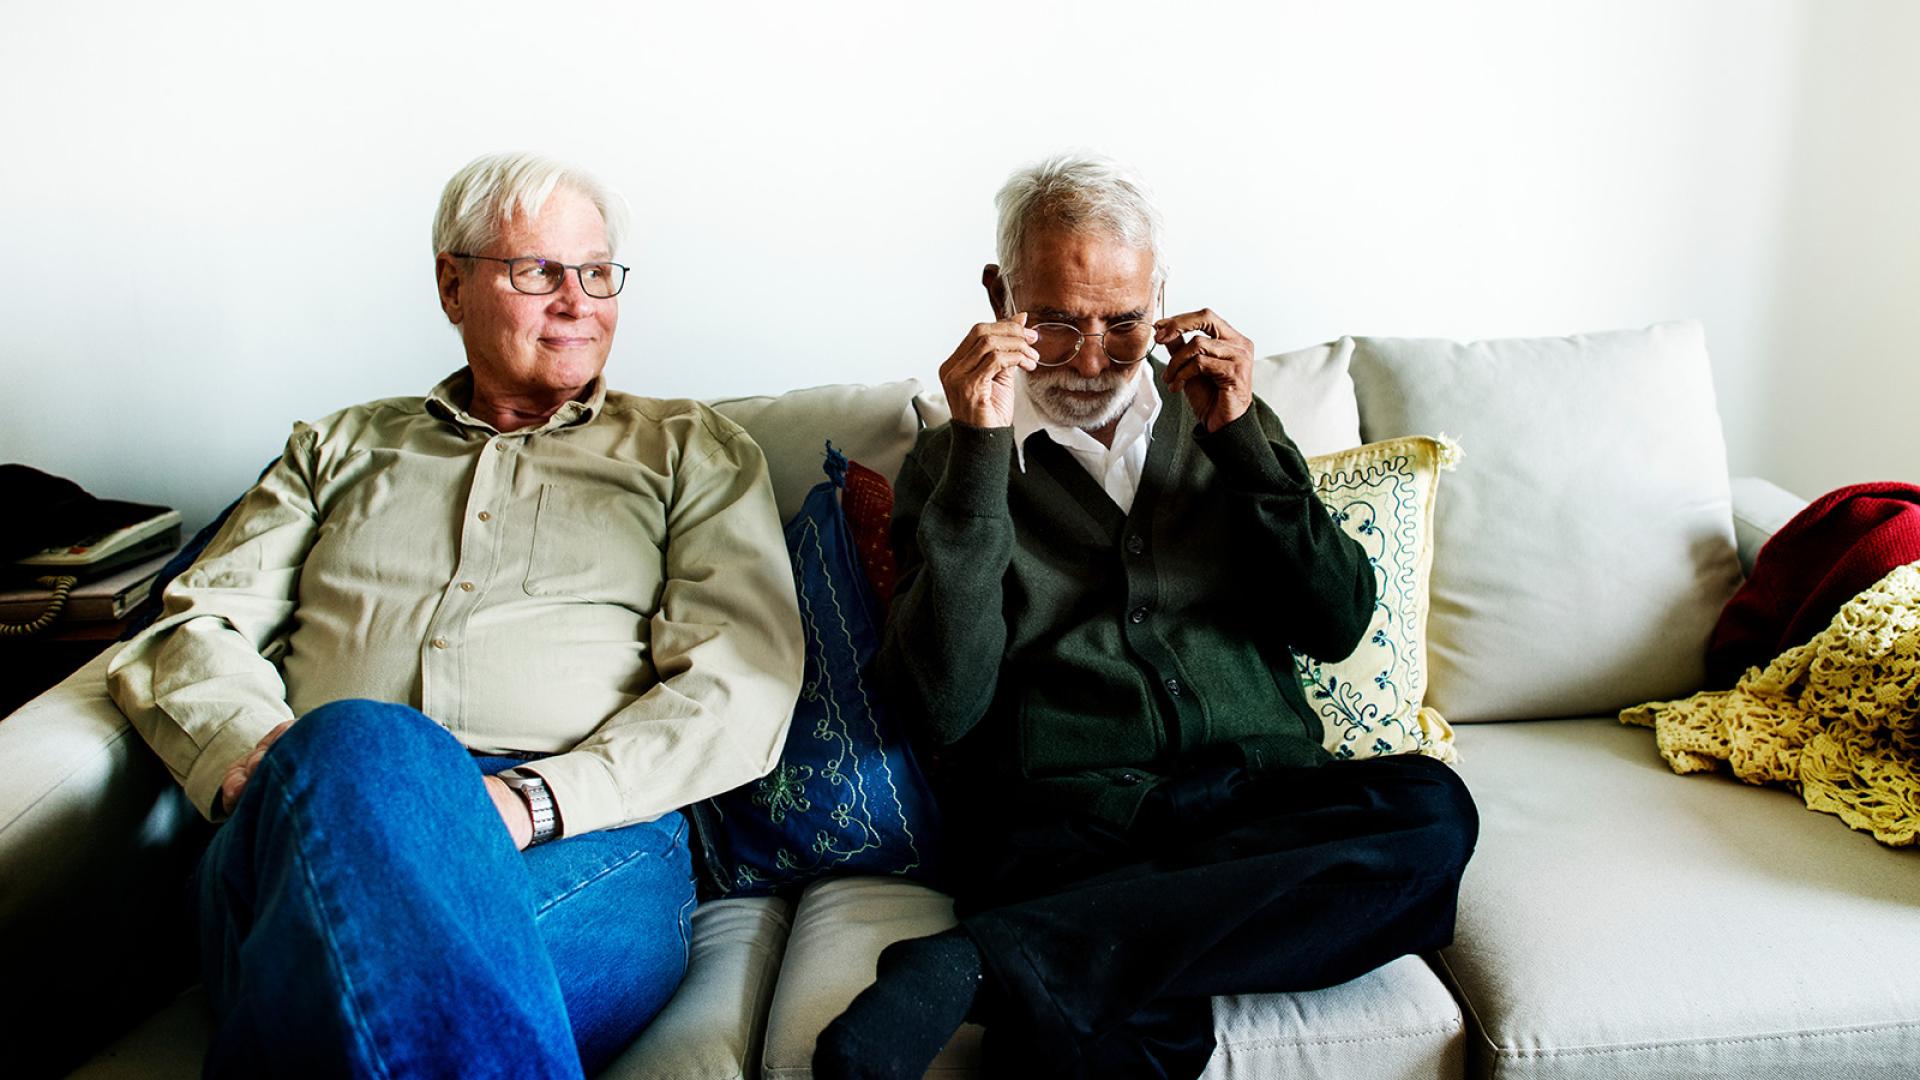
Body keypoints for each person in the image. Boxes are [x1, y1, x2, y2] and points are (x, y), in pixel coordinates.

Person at [108, 151, 805, 1078]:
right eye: (538, 273)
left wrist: (535, 800)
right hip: (311, 811)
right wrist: (258, 760)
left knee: (346, 987)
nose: (578, 302)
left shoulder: (688, 450)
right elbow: (196, 627)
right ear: (451, 284)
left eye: (597, 274)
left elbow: (738, 683)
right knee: (367, 745)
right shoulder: (339, 447)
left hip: (577, 837)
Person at [814, 153, 1478, 1079]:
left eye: (1123, 324)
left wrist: (1245, 445)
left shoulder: (1227, 422)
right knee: (1116, 1039)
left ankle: (985, 961)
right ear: (1001, 295)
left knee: (1430, 811)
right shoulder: (954, 465)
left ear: (1160, 298)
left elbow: (1337, 623)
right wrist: (977, 454)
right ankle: (1063, 950)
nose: (1091, 361)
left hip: (1253, 804)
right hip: (1069, 827)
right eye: (1054, 324)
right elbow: (944, 706)